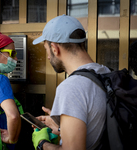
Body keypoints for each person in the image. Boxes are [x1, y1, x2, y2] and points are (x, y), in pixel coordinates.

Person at [31, 14, 111, 150]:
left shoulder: (71, 87)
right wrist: (63, 126)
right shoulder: (105, 72)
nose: (48, 57)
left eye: (47, 51)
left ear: (55, 49)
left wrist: (42, 144)